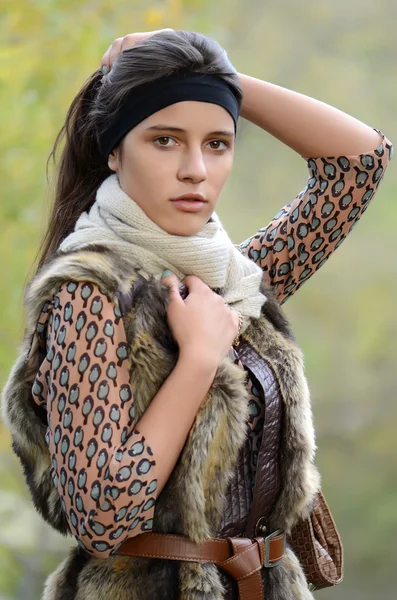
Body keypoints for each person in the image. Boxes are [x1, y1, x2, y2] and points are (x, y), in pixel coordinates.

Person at [1, 29, 392, 600]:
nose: (196, 170)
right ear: (114, 150)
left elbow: (358, 163)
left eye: (217, 143)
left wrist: (221, 80)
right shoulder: (87, 292)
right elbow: (104, 518)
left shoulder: (237, 280)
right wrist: (199, 360)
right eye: (165, 140)